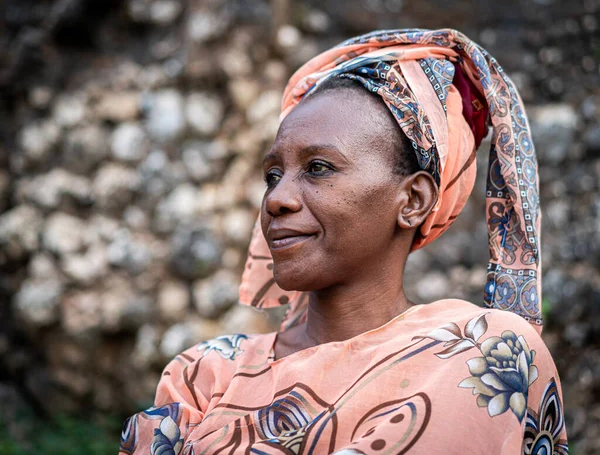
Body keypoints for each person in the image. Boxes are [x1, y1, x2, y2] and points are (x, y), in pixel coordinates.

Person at [119, 28, 568, 454]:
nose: (276, 198)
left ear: (412, 200)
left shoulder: (477, 354)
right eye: (272, 175)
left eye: (318, 168)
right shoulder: (206, 371)